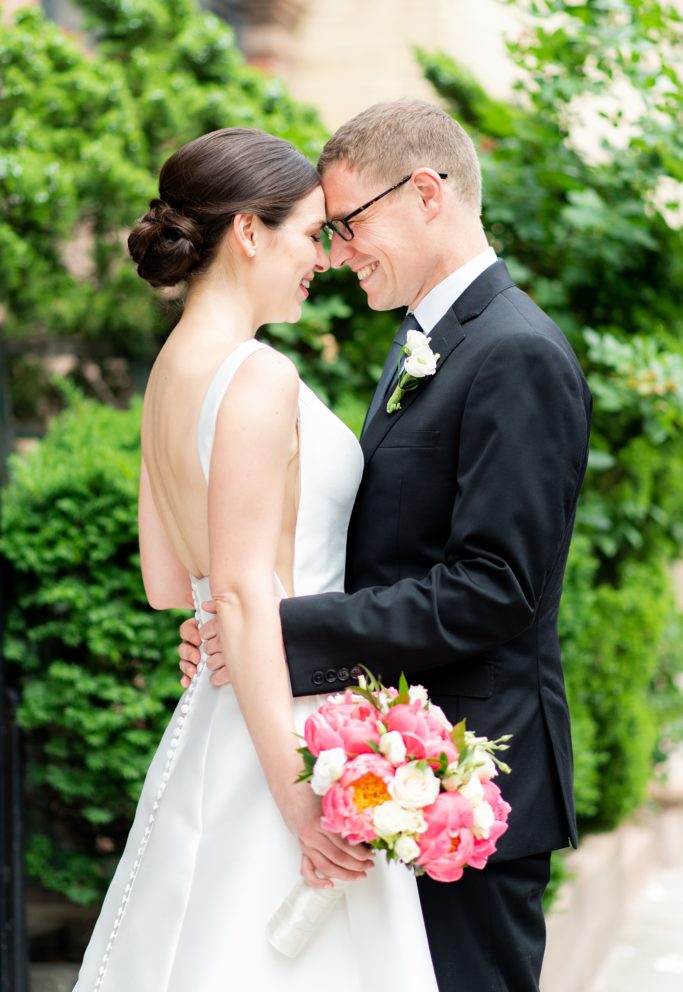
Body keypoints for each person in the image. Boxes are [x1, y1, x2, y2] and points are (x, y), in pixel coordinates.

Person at [179, 99, 593, 991]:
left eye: (349, 223)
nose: (336, 251)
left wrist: (281, 633)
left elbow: (494, 588)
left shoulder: (516, 351)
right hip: (386, 766)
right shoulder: (421, 339)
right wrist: (244, 641)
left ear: (427, 193)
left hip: (468, 785)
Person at [73, 126, 439, 992]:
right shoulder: (257, 376)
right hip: (292, 729)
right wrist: (301, 803)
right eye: (310, 233)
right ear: (247, 231)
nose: (322, 257)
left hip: (218, 713)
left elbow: (173, 585)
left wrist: (218, 625)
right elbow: (237, 593)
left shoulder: (169, 372)